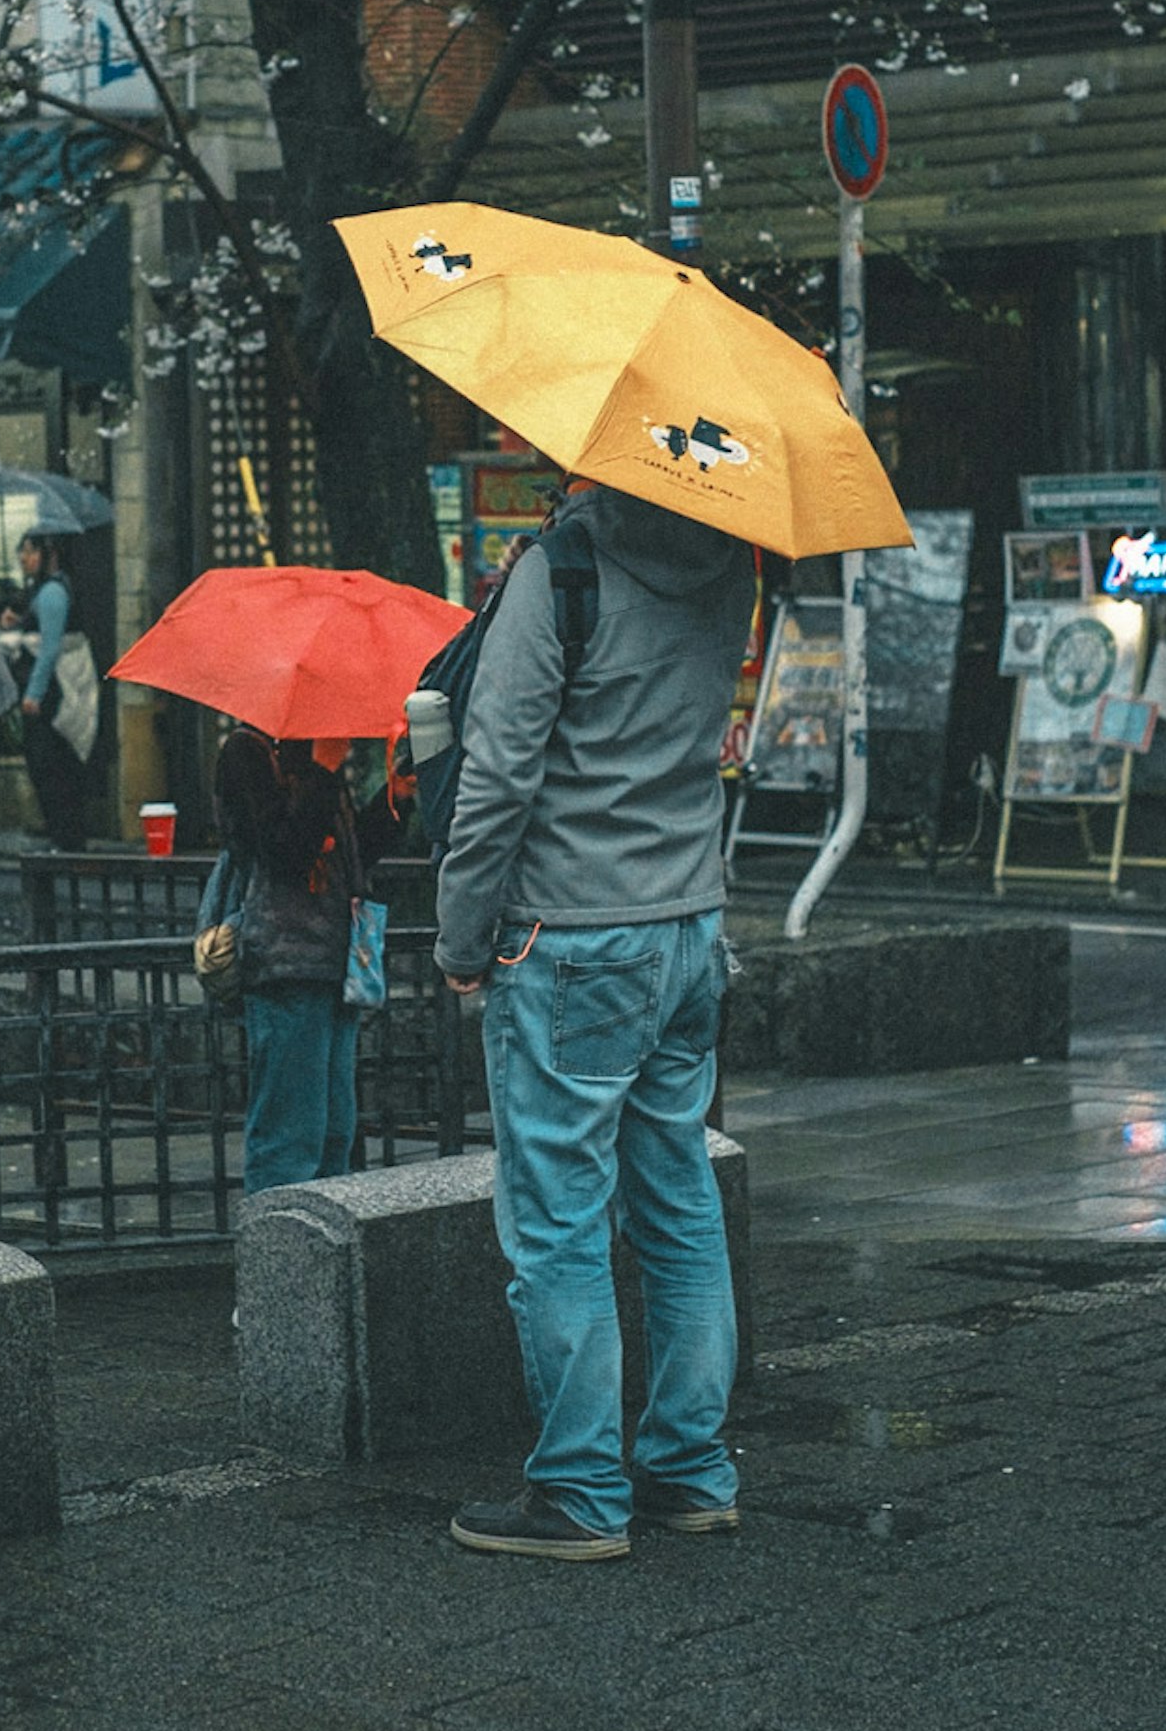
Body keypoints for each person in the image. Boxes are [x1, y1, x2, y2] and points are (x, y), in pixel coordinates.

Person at [434, 484, 758, 1561]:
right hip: (686, 927)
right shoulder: (728, 562)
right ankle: (690, 1468)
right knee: (677, 1199)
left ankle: (579, 1487)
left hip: (571, 932)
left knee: (559, 1218)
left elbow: (497, 778)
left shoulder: (558, 573)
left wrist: (459, 936)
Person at [204, 728, 411, 1196]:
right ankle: (277, 1256)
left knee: (334, 1132)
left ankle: (328, 1254)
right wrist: (323, 769)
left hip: (337, 963)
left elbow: (347, 852)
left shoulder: (311, 755)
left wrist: (394, 799)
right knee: (289, 1137)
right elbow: (283, 854)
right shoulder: (247, 754)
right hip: (285, 962)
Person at [11, 536, 105, 851]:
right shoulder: (44, 591)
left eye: (31, 550)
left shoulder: (51, 592)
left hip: (53, 693)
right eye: (22, 551)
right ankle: (65, 837)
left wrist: (33, 694)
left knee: (51, 764)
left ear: (48, 554)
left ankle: (66, 837)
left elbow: (49, 648)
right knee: (54, 764)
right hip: (52, 690)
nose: (24, 558)